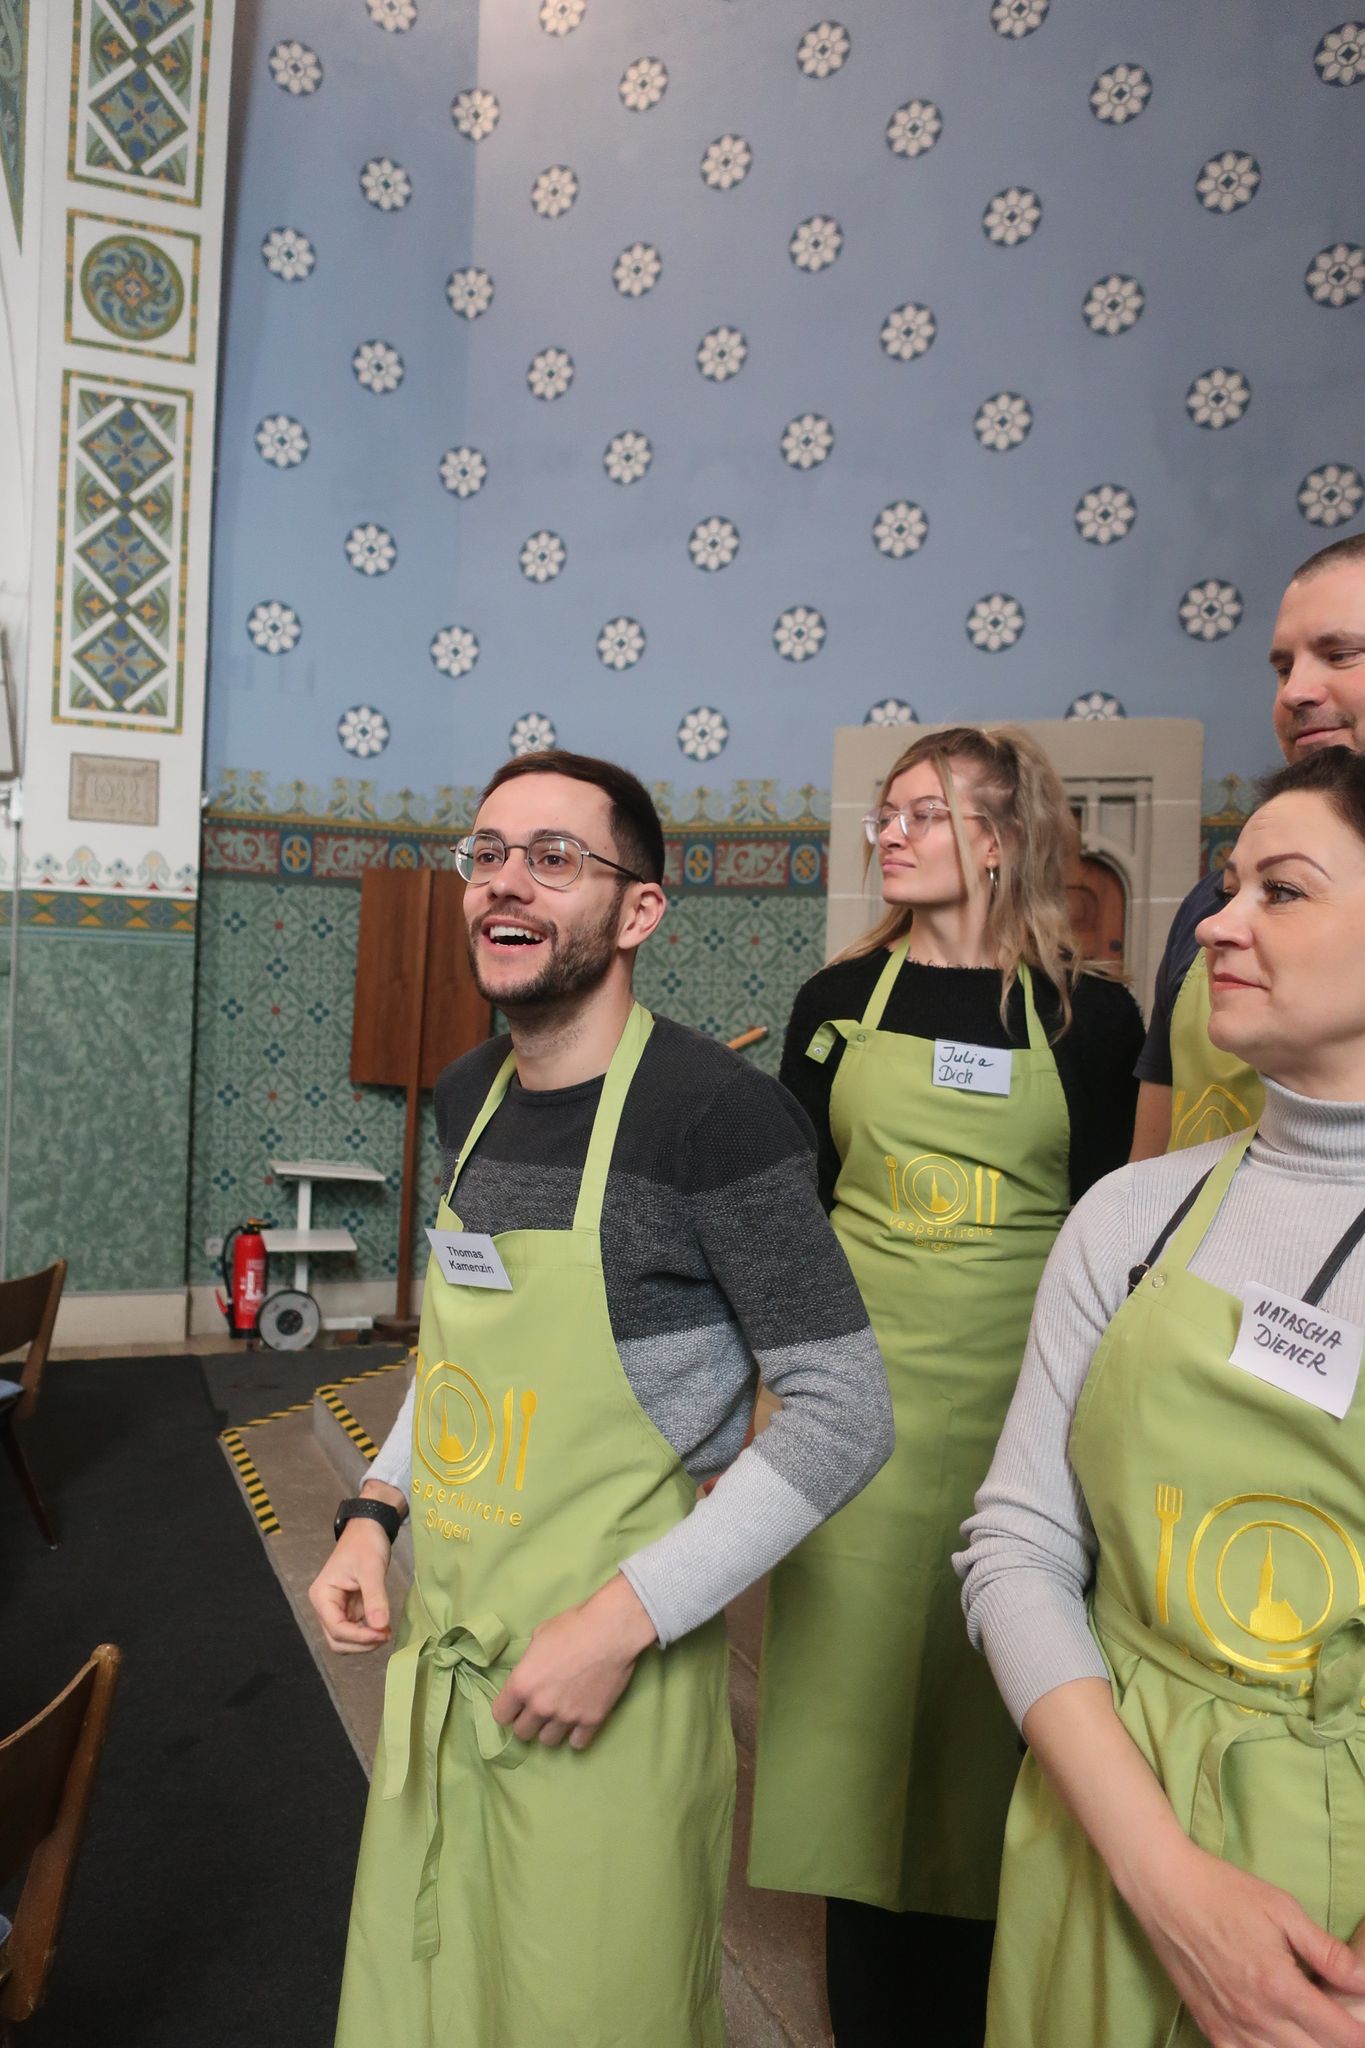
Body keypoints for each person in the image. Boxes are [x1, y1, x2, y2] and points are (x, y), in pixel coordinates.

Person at [307, 750, 892, 2048]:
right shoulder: (468, 1095)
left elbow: (846, 1407)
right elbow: (464, 1357)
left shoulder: (719, 1119)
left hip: (607, 1691)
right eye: (487, 853)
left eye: (555, 858)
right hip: (446, 1662)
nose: (506, 881)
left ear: (639, 911)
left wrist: (618, 1625)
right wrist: (375, 1509)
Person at [958, 744, 1365, 2048]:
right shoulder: (1131, 1216)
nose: (1219, 924)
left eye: (1279, 891)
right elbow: (1019, 1545)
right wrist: (1161, 1874)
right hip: (1100, 1834)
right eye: (1228, 887)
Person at [748, 725, 1145, 2045]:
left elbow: (1113, 1232)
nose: (892, 833)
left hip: (1027, 1420)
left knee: (1000, 1721)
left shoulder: (1090, 1019)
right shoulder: (833, 1003)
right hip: (857, 1422)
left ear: (1001, 835)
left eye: (924, 811)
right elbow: (791, 1222)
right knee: (855, 1724)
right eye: (887, 812)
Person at [1132, 532, 1365, 1160]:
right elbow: (1149, 1160)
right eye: (1284, 668)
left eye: (1341, 654)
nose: (1294, 692)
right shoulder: (1207, 906)